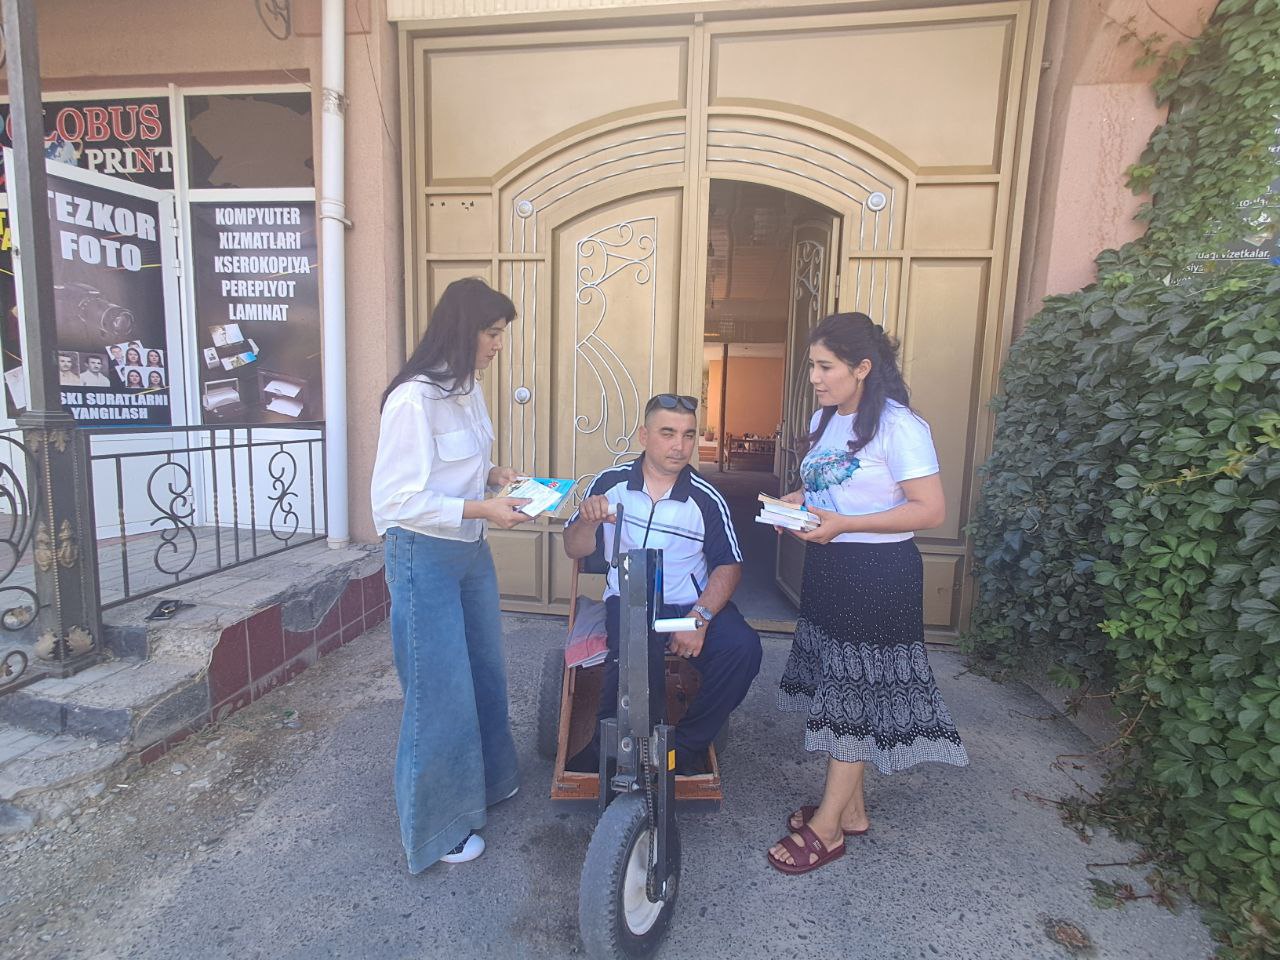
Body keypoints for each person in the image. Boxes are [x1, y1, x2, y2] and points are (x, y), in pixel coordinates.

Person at [767, 312, 968, 875]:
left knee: (852, 696)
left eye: (825, 366)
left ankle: (828, 830)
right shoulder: (826, 417)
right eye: (812, 365)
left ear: (862, 367)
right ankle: (850, 811)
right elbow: (829, 484)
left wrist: (846, 525)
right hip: (829, 568)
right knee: (838, 687)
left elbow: (929, 509)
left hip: (878, 575)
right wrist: (796, 502)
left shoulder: (902, 427)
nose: (814, 377)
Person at [370, 277, 532, 871]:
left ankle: (485, 783)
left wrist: (494, 475)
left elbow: (451, 466)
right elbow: (396, 501)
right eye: (492, 333)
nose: (498, 345)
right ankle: (438, 829)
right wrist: (484, 508)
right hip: (424, 556)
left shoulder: (466, 389)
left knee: (485, 670)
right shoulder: (412, 399)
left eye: (501, 333)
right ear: (464, 331)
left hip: (468, 552)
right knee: (438, 690)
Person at [563, 393, 762, 776]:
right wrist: (587, 521)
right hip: (630, 599)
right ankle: (609, 752)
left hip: (686, 606)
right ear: (644, 436)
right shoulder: (611, 483)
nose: (680, 446)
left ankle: (683, 748)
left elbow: (730, 566)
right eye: (668, 433)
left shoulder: (705, 498)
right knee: (635, 657)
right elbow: (575, 548)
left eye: (688, 435)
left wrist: (699, 619)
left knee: (743, 649)